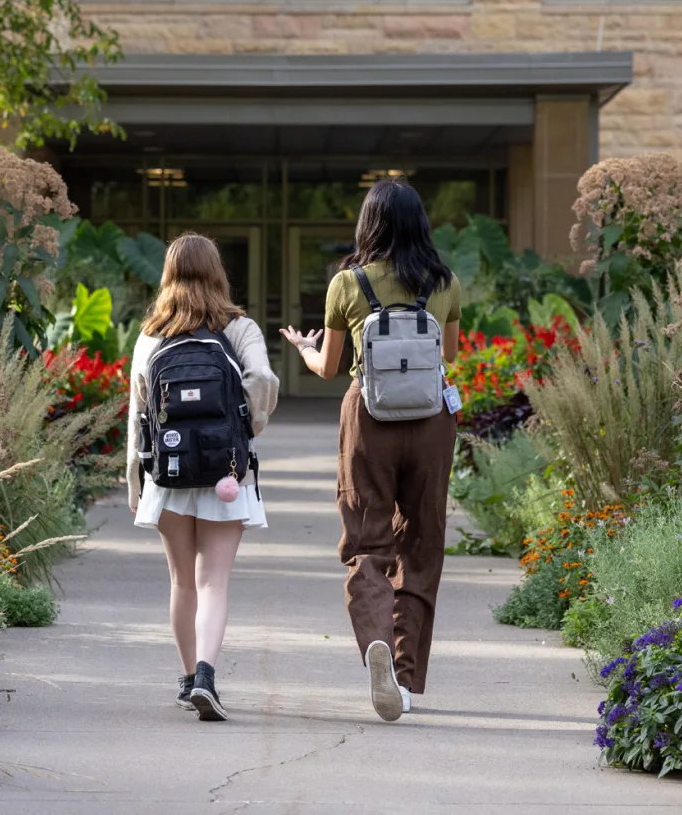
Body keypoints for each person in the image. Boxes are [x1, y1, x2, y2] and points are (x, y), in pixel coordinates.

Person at [279, 180, 460, 722]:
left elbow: (331, 368)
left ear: (368, 224)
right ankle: (403, 681)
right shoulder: (445, 281)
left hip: (369, 420)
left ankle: (376, 642)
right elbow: (449, 357)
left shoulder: (347, 283)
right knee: (422, 544)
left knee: (367, 542)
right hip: (431, 422)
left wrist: (307, 350)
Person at [126, 233, 280, 722]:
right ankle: (208, 677)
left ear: (168, 274)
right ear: (218, 272)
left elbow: (138, 412)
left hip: (167, 473)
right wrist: (244, 428)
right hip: (225, 473)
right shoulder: (239, 328)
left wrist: (135, 481)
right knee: (214, 580)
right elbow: (263, 381)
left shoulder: (152, 334)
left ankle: (188, 677)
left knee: (181, 581)